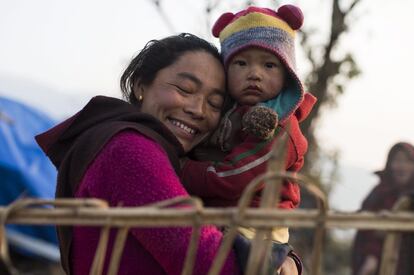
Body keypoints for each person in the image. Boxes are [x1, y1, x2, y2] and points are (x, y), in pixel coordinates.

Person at [35, 33, 240, 275]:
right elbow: (207, 261)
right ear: (140, 85)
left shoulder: (172, 159)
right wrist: (270, 259)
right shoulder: (130, 149)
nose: (198, 110)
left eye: (215, 104)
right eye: (185, 89)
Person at [180, 4, 316, 274]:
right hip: (222, 221)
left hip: (256, 236)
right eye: (241, 63)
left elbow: (235, 177)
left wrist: (180, 168)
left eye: (269, 64)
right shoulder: (225, 111)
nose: (255, 73)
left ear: (287, 72)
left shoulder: (279, 125)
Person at [352, 142, 414, 275]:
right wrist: (372, 256)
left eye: (408, 161)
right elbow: (365, 227)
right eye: (397, 160)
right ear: (390, 164)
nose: (402, 166)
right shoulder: (378, 194)